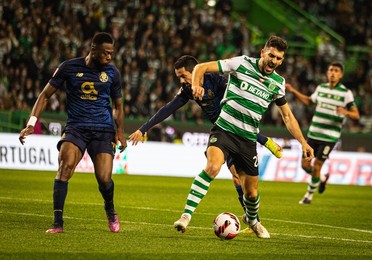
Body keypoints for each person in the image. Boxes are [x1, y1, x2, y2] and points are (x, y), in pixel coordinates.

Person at [173, 35, 314, 238]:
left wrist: (303, 142)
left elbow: (287, 116)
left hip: (247, 140)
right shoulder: (241, 63)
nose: (274, 61)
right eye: (271, 55)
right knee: (213, 166)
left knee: (251, 193)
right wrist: (195, 85)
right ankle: (186, 216)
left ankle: (253, 220)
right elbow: (201, 67)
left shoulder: (278, 83)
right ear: (263, 53)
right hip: (224, 130)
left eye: (279, 59)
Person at [128, 55, 283, 232]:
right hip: (222, 134)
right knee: (219, 170)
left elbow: (239, 117)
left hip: (240, 132)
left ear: (195, 71)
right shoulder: (187, 90)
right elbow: (168, 109)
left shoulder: (217, 81)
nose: (181, 80)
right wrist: (143, 128)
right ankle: (187, 216)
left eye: (183, 75)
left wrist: (263, 140)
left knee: (243, 183)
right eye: (178, 77)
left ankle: (253, 220)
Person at [18, 32, 127, 233]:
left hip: (103, 130)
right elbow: (44, 95)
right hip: (76, 128)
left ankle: (110, 209)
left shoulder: (113, 73)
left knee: (104, 178)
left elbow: (118, 105)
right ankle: (58, 223)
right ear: (93, 50)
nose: (109, 57)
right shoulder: (69, 67)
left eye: (112, 53)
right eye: (106, 53)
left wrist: (120, 131)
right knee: (65, 166)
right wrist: (32, 123)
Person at [285, 61, 360, 204]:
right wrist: (293, 90)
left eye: (336, 71)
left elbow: (356, 114)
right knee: (305, 165)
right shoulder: (321, 88)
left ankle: (308, 196)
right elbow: (308, 101)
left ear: (341, 75)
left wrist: (346, 112)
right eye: (331, 70)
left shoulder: (345, 94)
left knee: (317, 164)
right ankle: (322, 178)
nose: (333, 73)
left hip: (329, 137)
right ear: (327, 72)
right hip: (313, 134)